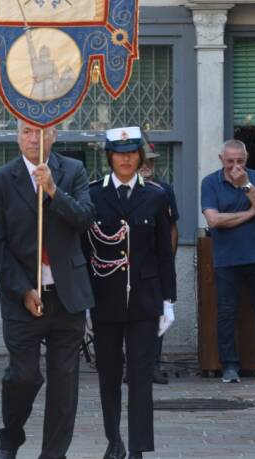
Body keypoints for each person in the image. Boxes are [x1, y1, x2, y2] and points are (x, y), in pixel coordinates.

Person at [0, 121, 96, 459]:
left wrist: (53, 191)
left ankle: (53, 454)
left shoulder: (73, 170)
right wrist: (22, 290)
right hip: (23, 298)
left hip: (67, 295)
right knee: (24, 376)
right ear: (17, 136)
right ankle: (10, 436)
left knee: (65, 385)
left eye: (42, 132)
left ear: (56, 134)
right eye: (27, 132)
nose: (35, 138)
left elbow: (86, 217)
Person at [85, 126, 177, 459]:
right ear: (110, 157)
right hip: (104, 297)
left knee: (140, 377)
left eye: (131, 152)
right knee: (108, 375)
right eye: (119, 153)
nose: (126, 158)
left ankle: (138, 446)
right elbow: (85, 250)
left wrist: (169, 301)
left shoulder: (156, 194)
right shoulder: (93, 194)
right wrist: (84, 303)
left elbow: (164, 252)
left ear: (140, 156)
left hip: (145, 299)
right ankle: (114, 441)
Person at [200, 139, 255, 383]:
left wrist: (246, 186)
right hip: (226, 258)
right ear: (221, 159)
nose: (235, 166)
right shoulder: (210, 182)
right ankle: (229, 365)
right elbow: (214, 221)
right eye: (230, 161)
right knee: (226, 313)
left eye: (240, 161)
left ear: (246, 159)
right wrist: (250, 212)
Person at [138, 139, 179, 385]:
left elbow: (172, 228)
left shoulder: (163, 190)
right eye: (143, 161)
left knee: (158, 314)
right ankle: (131, 366)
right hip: (130, 263)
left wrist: (169, 260)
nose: (147, 166)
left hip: (156, 264)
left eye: (150, 162)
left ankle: (153, 364)